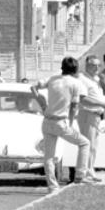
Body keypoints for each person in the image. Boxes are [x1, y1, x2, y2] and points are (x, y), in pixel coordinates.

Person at [34, 57, 93, 193]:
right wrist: (71, 123)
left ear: (62, 68)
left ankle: (52, 186)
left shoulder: (53, 79)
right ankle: (80, 175)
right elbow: (74, 106)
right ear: (75, 70)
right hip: (61, 122)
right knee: (84, 143)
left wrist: (41, 101)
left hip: (47, 121)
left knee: (48, 156)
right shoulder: (75, 83)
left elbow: (34, 87)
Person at [78, 55, 105, 180]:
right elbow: (83, 99)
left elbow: (99, 96)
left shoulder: (96, 79)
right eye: (93, 65)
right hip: (88, 114)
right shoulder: (82, 79)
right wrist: (102, 104)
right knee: (88, 144)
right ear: (87, 65)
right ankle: (85, 172)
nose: (97, 68)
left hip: (97, 114)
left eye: (98, 65)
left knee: (93, 145)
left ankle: (90, 169)